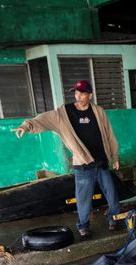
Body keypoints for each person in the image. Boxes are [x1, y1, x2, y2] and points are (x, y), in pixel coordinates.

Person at [13, 80, 120, 238]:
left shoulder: (98, 111)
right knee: (83, 199)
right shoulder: (63, 114)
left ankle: (114, 219)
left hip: (102, 161)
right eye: (76, 93)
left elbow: (109, 134)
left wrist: (115, 156)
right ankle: (83, 225)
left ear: (89, 95)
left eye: (83, 93)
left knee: (112, 194)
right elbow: (42, 119)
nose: (79, 96)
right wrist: (26, 126)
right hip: (83, 166)